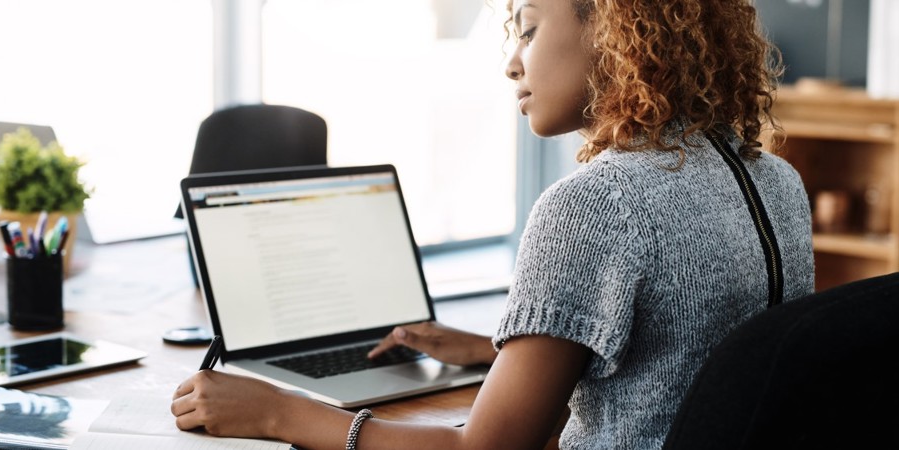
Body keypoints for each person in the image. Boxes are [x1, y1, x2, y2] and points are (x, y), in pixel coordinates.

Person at [171, 0, 815, 448]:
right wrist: (495, 350)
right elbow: (685, 357)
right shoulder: (773, 179)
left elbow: (483, 449)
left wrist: (279, 412)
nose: (512, 62)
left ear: (616, 31)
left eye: (529, 30)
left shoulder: (597, 204)